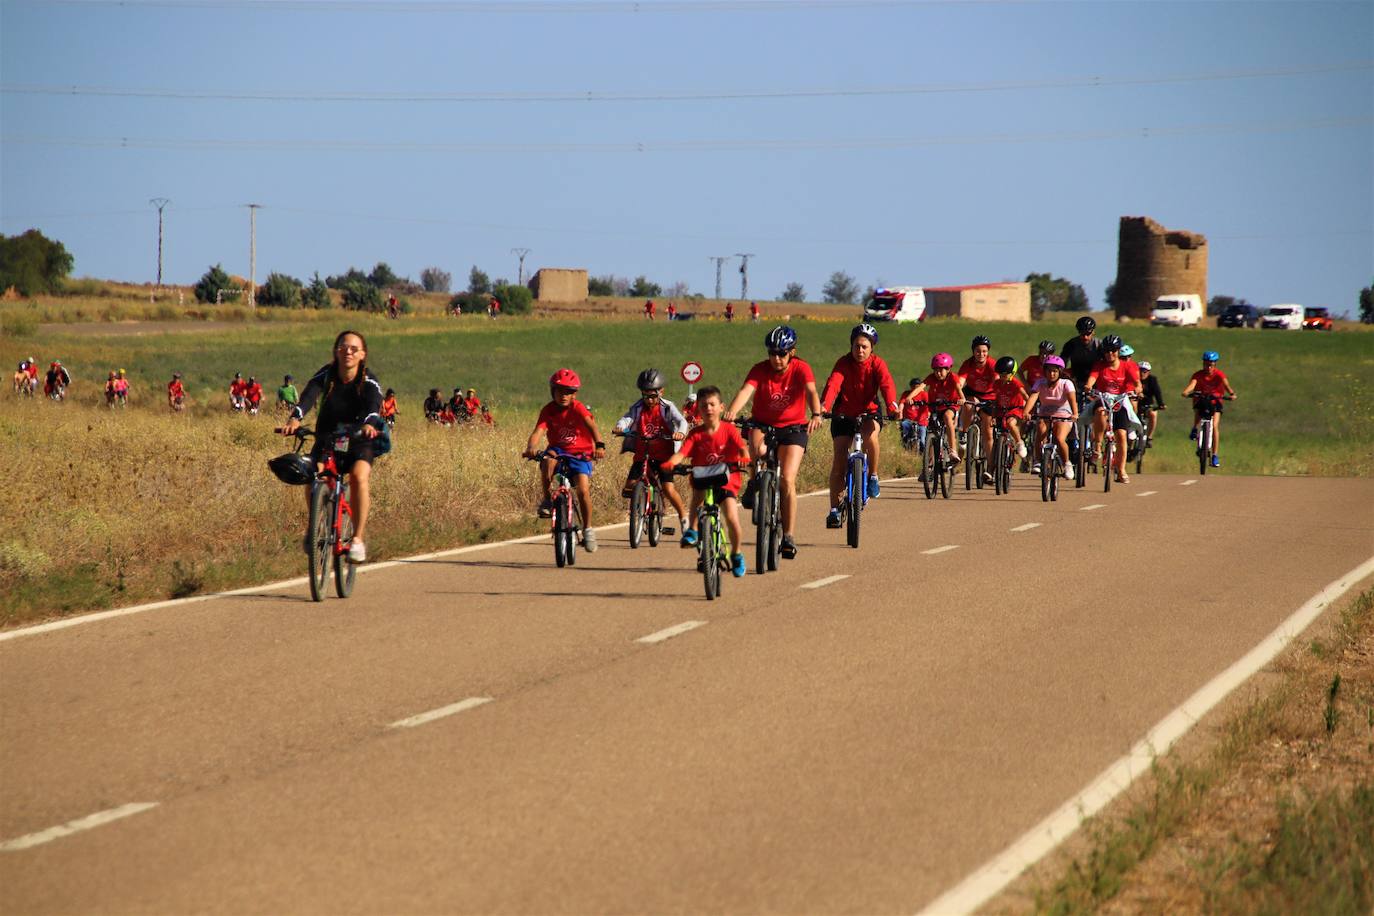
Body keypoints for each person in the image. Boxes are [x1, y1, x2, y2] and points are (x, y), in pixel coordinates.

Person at [280, 330, 387, 563]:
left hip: (359, 437)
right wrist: (295, 418)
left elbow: (374, 404)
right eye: (343, 347)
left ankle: (357, 539)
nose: (348, 352)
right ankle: (316, 525)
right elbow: (309, 395)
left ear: (362, 354)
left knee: (358, 477)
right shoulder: (326, 374)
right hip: (327, 436)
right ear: (336, 351)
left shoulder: (368, 379)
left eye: (354, 349)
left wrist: (369, 424)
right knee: (312, 475)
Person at [724, 325, 824, 560]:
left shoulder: (801, 368)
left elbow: (811, 391)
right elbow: (746, 391)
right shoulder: (759, 369)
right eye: (772, 353)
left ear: (792, 352)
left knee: (787, 479)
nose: (776, 359)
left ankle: (788, 535)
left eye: (782, 353)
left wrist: (816, 414)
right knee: (756, 448)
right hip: (763, 423)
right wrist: (731, 412)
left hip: (793, 428)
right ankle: (753, 482)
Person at [659, 385, 749, 577]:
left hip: (726, 479)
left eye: (712, 404)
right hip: (703, 476)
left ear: (721, 407)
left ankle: (736, 554)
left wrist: (744, 457)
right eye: (703, 405)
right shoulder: (696, 434)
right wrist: (671, 463)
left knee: (731, 517)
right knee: (697, 497)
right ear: (698, 409)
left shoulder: (729, 430)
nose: (708, 408)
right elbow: (682, 453)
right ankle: (692, 530)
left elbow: (742, 448)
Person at [820, 323, 899, 528]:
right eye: (857, 346)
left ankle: (873, 476)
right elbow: (833, 384)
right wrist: (824, 406)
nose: (860, 350)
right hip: (843, 413)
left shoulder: (878, 364)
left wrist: (893, 407)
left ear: (872, 348)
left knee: (870, 437)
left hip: (869, 412)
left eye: (865, 346)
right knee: (839, 459)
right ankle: (834, 510)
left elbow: (887, 385)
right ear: (851, 346)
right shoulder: (843, 363)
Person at [522, 368, 606, 552]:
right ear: (553, 391)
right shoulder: (548, 410)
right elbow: (538, 431)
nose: (564, 396)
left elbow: (591, 425)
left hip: (581, 452)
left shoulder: (578, 408)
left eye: (568, 392)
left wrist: (599, 445)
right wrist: (531, 448)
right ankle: (547, 500)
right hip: (558, 450)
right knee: (547, 460)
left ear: (574, 394)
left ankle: (588, 530)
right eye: (560, 391)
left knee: (583, 490)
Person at [612, 368, 689, 535]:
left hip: (664, 456)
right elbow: (627, 418)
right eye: (645, 396)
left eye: (653, 396)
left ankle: (684, 518)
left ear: (661, 392)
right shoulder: (638, 407)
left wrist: (680, 433)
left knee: (668, 489)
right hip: (642, 454)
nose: (649, 400)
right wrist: (620, 426)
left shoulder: (667, 407)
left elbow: (681, 421)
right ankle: (639, 510)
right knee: (629, 486)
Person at [1083, 334, 1142, 484]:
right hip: (1103, 398)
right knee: (1100, 412)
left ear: (1118, 351)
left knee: (1121, 435)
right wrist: (1089, 386)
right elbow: (1092, 378)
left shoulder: (1127, 366)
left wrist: (1137, 389)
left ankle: (1121, 470)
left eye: (1113, 350)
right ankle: (1097, 445)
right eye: (1107, 351)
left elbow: (1137, 382)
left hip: (1120, 401)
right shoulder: (1100, 365)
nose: (1110, 354)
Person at [900, 353, 966, 465]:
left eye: (941, 370)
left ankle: (953, 451)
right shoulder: (932, 378)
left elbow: (958, 389)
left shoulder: (953, 377)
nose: (938, 373)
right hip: (935, 406)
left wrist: (962, 398)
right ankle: (929, 464)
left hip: (950, 405)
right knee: (931, 432)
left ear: (948, 369)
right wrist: (909, 397)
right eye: (935, 370)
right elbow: (921, 387)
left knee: (947, 417)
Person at [1023, 355, 1078, 479]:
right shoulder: (1040, 383)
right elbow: (1033, 397)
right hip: (1045, 413)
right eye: (1049, 371)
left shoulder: (1066, 383)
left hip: (1063, 413)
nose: (1051, 374)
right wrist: (1026, 412)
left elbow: (1072, 399)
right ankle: (1038, 461)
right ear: (1044, 371)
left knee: (1059, 438)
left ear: (1059, 372)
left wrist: (1075, 413)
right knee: (1040, 434)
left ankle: (1067, 464)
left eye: (1054, 371)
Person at [1181, 350, 1237, 468]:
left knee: (1215, 426)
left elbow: (1226, 385)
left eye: (1211, 365)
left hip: (1215, 401)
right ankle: (1195, 428)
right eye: (1206, 364)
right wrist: (1186, 392)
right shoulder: (1198, 375)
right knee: (1198, 408)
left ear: (1215, 364)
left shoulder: (1219, 375)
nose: (1208, 367)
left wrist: (1232, 393)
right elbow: (1192, 385)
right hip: (1201, 400)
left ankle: (1215, 455)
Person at [958, 334, 998, 481]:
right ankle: (963, 433)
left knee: (988, 433)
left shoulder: (992, 364)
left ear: (988, 352)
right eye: (978, 351)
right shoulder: (968, 364)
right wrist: (959, 396)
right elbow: (960, 382)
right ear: (973, 351)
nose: (981, 354)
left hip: (990, 396)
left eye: (984, 351)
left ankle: (990, 468)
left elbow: (998, 383)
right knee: (969, 404)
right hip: (972, 392)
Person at [990, 356, 1030, 462]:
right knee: (995, 430)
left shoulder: (1016, 384)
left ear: (1012, 373)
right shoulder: (997, 383)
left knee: (1010, 423)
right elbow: (995, 401)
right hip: (1001, 410)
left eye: (1005, 374)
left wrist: (1027, 411)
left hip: (1015, 409)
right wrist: (993, 416)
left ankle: (1019, 443)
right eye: (1000, 374)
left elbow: (1026, 397)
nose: (1002, 377)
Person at [1061, 316, 1102, 393]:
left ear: (1093, 332)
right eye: (1082, 334)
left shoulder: (1099, 345)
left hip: (1096, 378)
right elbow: (1062, 364)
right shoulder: (1071, 344)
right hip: (1076, 377)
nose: (1085, 337)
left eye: (1088, 334)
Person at [898, 377, 930, 457]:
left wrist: (928, 415)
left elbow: (929, 406)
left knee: (922, 440)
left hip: (922, 421)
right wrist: (900, 413)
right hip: (909, 420)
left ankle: (923, 456)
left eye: (917, 387)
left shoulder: (924, 395)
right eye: (913, 387)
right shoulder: (906, 394)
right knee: (904, 426)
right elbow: (902, 404)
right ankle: (905, 445)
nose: (915, 389)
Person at [1138, 360, 1165, 443]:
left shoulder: (1152, 380)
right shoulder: (1133, 378)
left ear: (1148, 372)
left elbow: (1157, 392)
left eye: (1144, 372)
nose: (1142, 373)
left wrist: (1161, 404)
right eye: (1140, 371)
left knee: (1153, 414)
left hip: (1148, 403)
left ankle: (1149, 437)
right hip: (1135, 403)